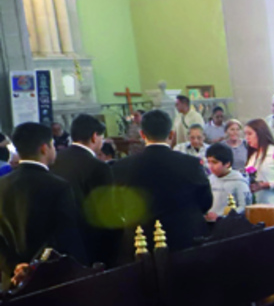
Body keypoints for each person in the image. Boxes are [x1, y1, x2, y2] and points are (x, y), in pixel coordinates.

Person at [112, 110, 213, 252]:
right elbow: (206, 201)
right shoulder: (191, 163)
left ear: (142, 134)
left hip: (142, 242)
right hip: (187, 240)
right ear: (171, 134)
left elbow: (118, 207)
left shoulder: (122, 167)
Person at [0, 122, 85, 289]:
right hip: (50, 280)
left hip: (11, 280)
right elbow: (65, 236)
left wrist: (14, 266)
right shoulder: (58, 186)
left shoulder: (1, 185)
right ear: (45, 148)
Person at [52, 114, 115, 267]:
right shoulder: (98, 167)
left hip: (59, 243)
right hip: (91, 244)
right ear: (94, 136)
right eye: (101, 137)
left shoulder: (55, 160)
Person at [205, 143, 250, 219]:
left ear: (227, 164)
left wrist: (223, 217)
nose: (210, 166)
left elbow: (244, 207)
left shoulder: (239, 182)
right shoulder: (209, 180)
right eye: (208, 162)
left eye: (215, 162)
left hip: (229, 223)